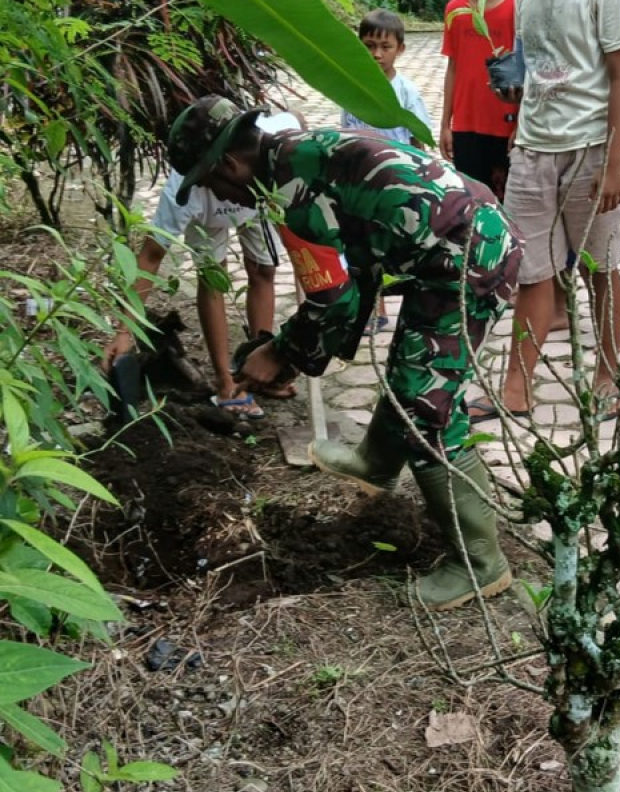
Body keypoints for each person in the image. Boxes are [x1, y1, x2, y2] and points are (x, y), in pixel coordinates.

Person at [166, 95, 523, 610]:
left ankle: (480, 565)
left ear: (228, 164)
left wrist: (281, 354)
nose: (214, 192)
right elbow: (354, 278)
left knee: (427, 411)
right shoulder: (293, 153)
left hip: (469, 256)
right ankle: (374, 464)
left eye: (209, 180)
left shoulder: (294, 187)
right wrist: (294, 352)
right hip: (447, 247)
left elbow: (332, 298)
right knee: (409, 373)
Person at [472, 0, 620, 423]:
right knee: (532, 275)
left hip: (591, 153)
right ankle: (517, 388)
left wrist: (613, 164)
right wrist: (514, 90)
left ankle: (609, 376)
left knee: (599, 270)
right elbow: (539, 64)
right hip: (533, 150)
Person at [103, 110, 302, 419]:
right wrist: (124, 331)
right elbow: (151, 256)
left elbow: (296, 118)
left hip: (259, 199)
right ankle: (228, 381)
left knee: (264, 271)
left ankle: (261, 366)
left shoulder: (272, 147)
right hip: (209, 216)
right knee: (212, 278)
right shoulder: (184, 193)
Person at [340, 8, 436, 334]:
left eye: (385, 46)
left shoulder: (406, 92)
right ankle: (373, 310)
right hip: (363, 186)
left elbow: (419, 139)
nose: (377, 54)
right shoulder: (351, 89)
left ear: (401, 49)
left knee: (403, 248)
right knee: (365, 250)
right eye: (369, 46)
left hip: (399, 182)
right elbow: (349, 135)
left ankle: (417, 311)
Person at [441, 0, 517, 199]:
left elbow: (526, 70)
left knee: (506, 206)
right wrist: (446, 124)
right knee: (472, 208)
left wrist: (520, 125)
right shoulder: (455, 9)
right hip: (466, 127)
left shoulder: (516, 7)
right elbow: (453, 67)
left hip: (503, 125)